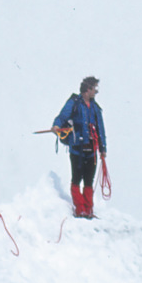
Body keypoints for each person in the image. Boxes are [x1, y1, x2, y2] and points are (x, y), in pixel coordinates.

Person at [51, 76, 107, 219]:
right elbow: (62, 116)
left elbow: (100, 129)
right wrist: (56, 126)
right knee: (77, 178)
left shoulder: (95, 108)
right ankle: (80, 208)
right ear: (88, 89)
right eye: (95, 89)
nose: (96, 92)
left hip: (92, 150)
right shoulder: (74, 103)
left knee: (89, 179)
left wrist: (103, 148)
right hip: (77, 149)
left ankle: (88, 210)